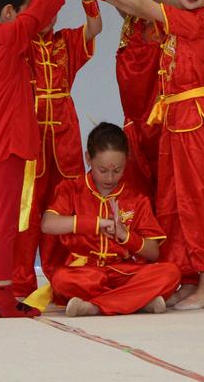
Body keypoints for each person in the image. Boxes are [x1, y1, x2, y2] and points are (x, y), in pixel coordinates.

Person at [68, 0, 204, 310]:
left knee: (194, 203)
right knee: (172, 204)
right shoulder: (180, 15)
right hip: (173, 119)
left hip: (194, 119)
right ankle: (188, 278)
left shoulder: (198, 20)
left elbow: (142, 1)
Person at [0, 0, 84, 318]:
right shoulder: (9, 37)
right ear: (8, 13)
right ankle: (4, 300)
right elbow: (39, 11)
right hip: (9, 143)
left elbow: (29, 8)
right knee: (5, 224)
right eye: (21, 12)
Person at [11, 0, 103, 298]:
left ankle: (63, 281)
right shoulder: (20, 42)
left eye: (52, 9)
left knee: (64, 208)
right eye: (41, 8)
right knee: (26, 211)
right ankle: (20, 281)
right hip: (31, 137)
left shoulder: (66, 41)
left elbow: (95, 27)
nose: (48, 16)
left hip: (65, 137)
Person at [41, 122, 180, 317]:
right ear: (88, 158)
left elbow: (154, 252)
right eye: (103, 170)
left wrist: (125, 236)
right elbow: (48, 224)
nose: (109, 178)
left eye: (117, 170)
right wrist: (97, 223)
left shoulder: (137, 199)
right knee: (61, 279)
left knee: (171, 273)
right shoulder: (71, 189)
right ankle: (136, 302)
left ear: (127, 161)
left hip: (125, 272)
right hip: (85, 273)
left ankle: (94, 307)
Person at [80, 0, 177, 205]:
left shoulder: (171, 3)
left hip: (159, 114)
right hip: (134, 116)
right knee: (138, 184)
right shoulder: (132, 11)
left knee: (165, 181)